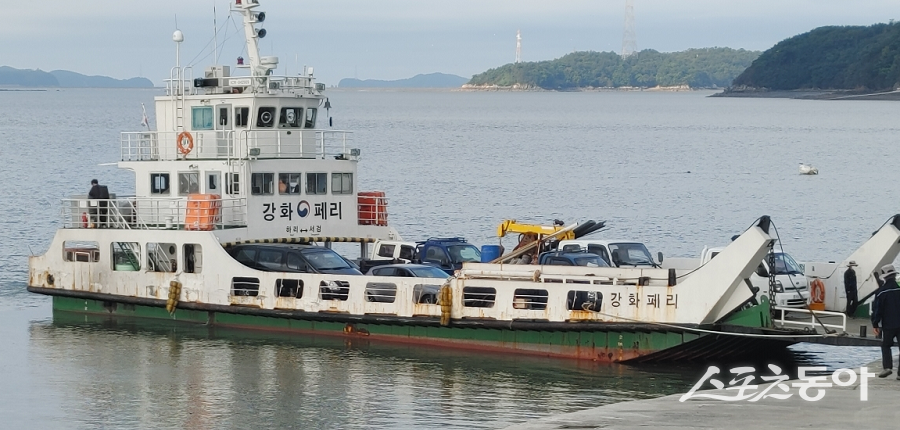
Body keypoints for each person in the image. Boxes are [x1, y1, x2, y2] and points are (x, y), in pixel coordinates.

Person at [871, 263, 900, 378]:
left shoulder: (881, 292)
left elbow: (877, 310)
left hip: (888, 324)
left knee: (886, 345)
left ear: (884, 277)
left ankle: (887, 367)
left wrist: (875, 324)